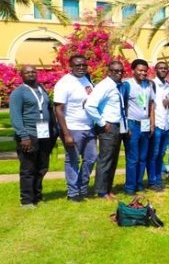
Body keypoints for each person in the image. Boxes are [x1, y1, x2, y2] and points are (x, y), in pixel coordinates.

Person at [10, 66, 54, 208]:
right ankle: (27, 200)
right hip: (29, 135)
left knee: (42, 167)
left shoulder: (42, 90)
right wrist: (23, 136)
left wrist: (54, 130)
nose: (31, 74)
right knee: (28, 169)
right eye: (27, 72)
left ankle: (37, 195)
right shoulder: (18, 93)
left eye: (33, 72)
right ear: (21, 75)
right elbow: (15, 116)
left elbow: (48, 110)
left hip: (45, 134)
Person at [53, 55, 95, 202]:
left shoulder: (86, 79)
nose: (81, 68)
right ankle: (72, 193)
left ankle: (83, 188)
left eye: (84, 65)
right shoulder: (64, 83)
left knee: (91, 158)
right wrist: (66, 134)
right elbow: (58, 109)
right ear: (70, 65)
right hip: (72, 128)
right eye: (78, 65)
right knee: (72, 160)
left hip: (89, 127)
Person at [85, 60, 126, 199]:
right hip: (108, 127)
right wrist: (102, 122)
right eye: (115, 71)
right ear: (109, 72)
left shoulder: (117, 86)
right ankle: (101, 191)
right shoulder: (105, 86)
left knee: (113, 159)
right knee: (105, 159)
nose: (119, 73)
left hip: (117, 126)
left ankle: (108, 189)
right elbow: (90, 105)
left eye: (121, 71)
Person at [121, 59, 156, 195]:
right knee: (133, 158)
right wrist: (126, 127)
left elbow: (151, 104)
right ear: (133, 70)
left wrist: (152, 123)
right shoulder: (127, 85)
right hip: (132, 124)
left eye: (145, 71)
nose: (143, 73)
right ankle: (130, 186)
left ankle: (139, 183)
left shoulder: (148, 85)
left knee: (143, 157)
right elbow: (122, 106)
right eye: (140, 70)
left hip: (145, 125)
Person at [148, 61, 169, 191]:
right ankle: (152, 181)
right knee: (154, 154)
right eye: (160, 68)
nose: (163, 70)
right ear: (155, 70)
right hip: (156, 124)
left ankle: (158, 178)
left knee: (161, 154)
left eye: (165, 68)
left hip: (166, 124)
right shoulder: (152, 84)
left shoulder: (168, 85)